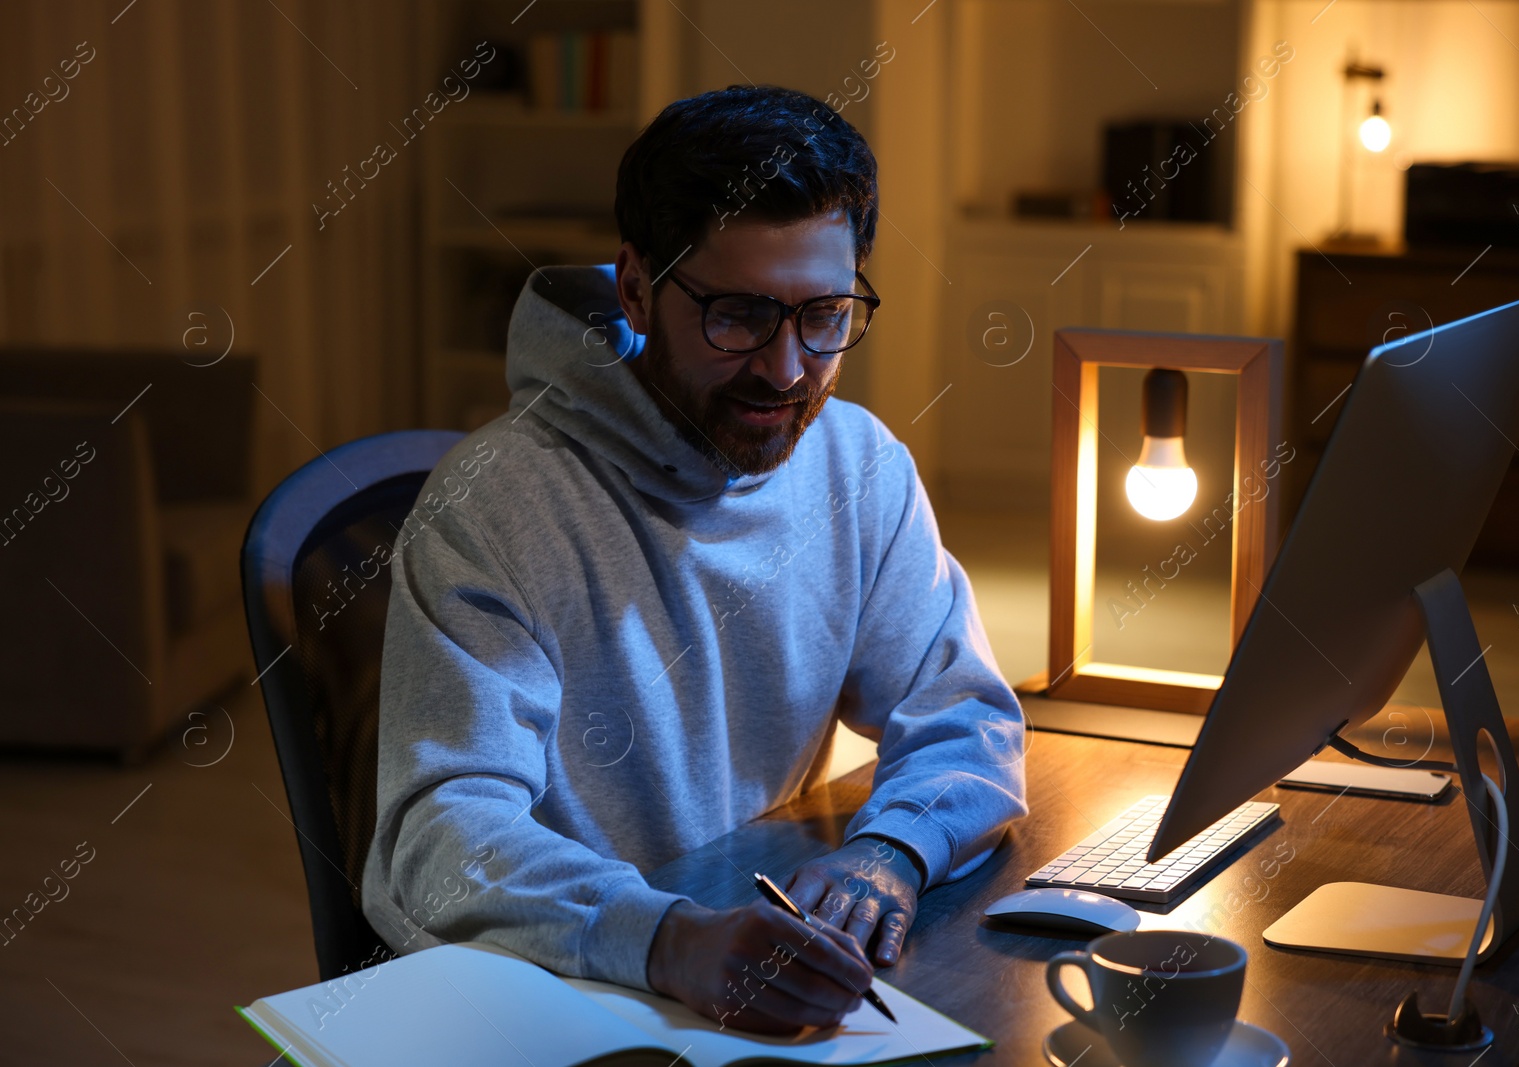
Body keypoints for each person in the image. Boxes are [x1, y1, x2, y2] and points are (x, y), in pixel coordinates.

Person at [361, 83, 1028, 1034]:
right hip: (559, 1000)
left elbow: (963, 711)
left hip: (750, 978)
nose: (788, 369)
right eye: (739, 316)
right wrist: (668, 938)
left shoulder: (860, 466)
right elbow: (440, 841)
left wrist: (892, 851)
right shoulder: (495, 505)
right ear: (636, 286)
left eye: (824, 315)